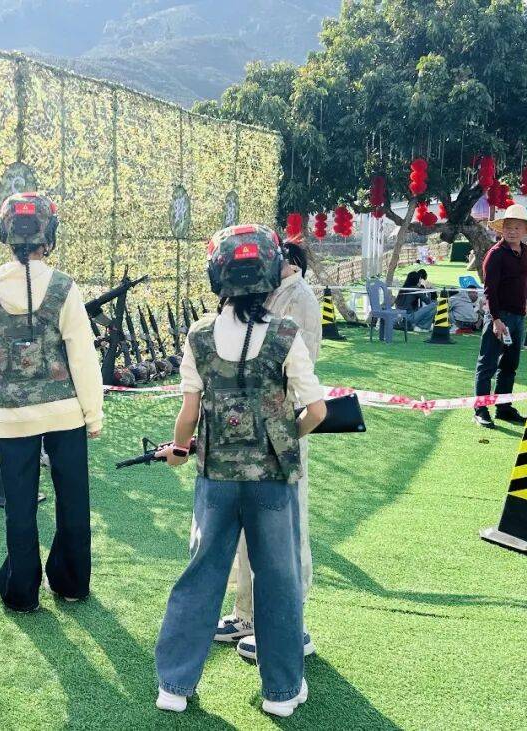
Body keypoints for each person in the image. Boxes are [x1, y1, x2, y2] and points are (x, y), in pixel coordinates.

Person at [153, 224, 326, 718]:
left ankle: (174, 686)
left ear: (218, 276)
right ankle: (281, 692)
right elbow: (316, 411)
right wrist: (284, 437)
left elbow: (189, 412)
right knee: (279, 579)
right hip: (272, 480)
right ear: (270, 271)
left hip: (216, 479)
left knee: (202, 573)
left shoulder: (200, 335)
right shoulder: (286, 334)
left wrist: (180, 449)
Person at [0, 191, 103, 612]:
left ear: (4, 233)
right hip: (66, 413)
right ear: (49, 234)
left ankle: (22, 592)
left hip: (11, 416)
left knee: (19, 506)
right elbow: (82, 356)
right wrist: (93, 413)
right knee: (73, 499)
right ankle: (72, 582)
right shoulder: (63, 286)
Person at [213, 234, 320, 662]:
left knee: (285, 536)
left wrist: (286, 434)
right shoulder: (259, 292)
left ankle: (292, 627)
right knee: (246, 530)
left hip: (279, 437)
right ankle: (246, 615)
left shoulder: (299, 298)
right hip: (242, 439)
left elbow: (298, 382)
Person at [473, 205, 527, 428]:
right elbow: (489, 289)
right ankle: (480, 409)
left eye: (517, 227)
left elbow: (523, 278)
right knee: (487, 364)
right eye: (508, 227)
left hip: (518, 315)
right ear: (502, 229)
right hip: (499, 316)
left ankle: (504, 407)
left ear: (525, 230)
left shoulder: (525, 251)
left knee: (510, 365)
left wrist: (526, 299)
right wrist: (495, 319)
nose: (512, 231)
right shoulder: (495, 254)